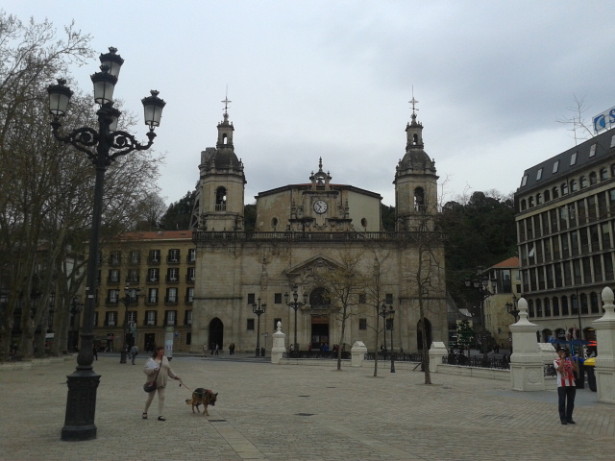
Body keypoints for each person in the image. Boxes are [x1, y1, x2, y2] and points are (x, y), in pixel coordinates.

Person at [142, 346, 181, 421]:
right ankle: (145, 412)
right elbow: (145, 370)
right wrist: (153, 370)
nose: (163, 352)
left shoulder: (165, 358)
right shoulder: (151, 360)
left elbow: (169, 369)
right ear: (157, 351)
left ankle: (160, 415)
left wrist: (175, 376)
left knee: (162, 397)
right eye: (161, 351)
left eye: (163, 351)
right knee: (150, 398)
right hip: (153, 382)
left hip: (162, 382)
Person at [554, 348, 578, 425]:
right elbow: (560, 369)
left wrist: (572, 360)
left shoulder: (569, 361)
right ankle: (563, 418)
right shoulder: (556, 361)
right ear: (558, 353)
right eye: (561, 352)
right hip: (562, 384)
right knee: (562, 402)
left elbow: (576, 369)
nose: (563, 353)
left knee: (571, 402)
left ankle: (569, 417)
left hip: (571, 384)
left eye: (564, 352)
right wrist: (562, 360)